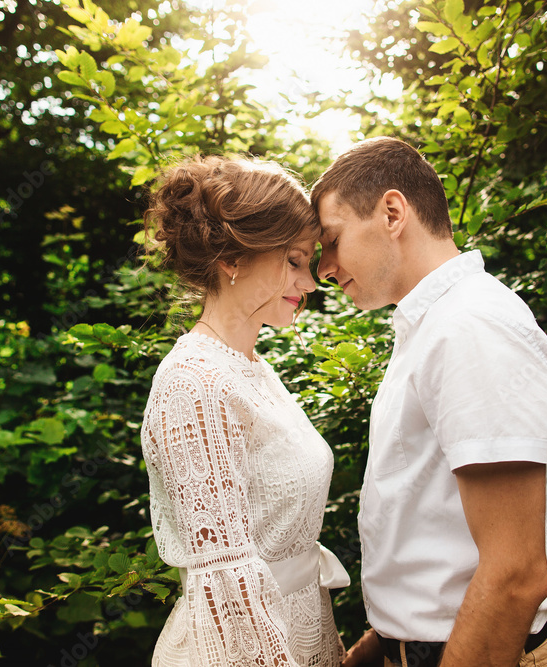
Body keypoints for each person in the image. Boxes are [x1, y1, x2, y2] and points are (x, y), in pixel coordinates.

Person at [312, 137, 547, 667]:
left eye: (333, 240)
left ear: (392, 212)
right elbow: (432, 542)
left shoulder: (472, 329)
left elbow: (515, 574)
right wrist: (380, 647)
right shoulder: (432, 328)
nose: (323, 268)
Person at [140, 155, 349, 666]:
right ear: (232, 259)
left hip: (298, 628)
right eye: (294, 261)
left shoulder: (251, 366)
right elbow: (227, 574)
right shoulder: (193, 382)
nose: (310, 283)